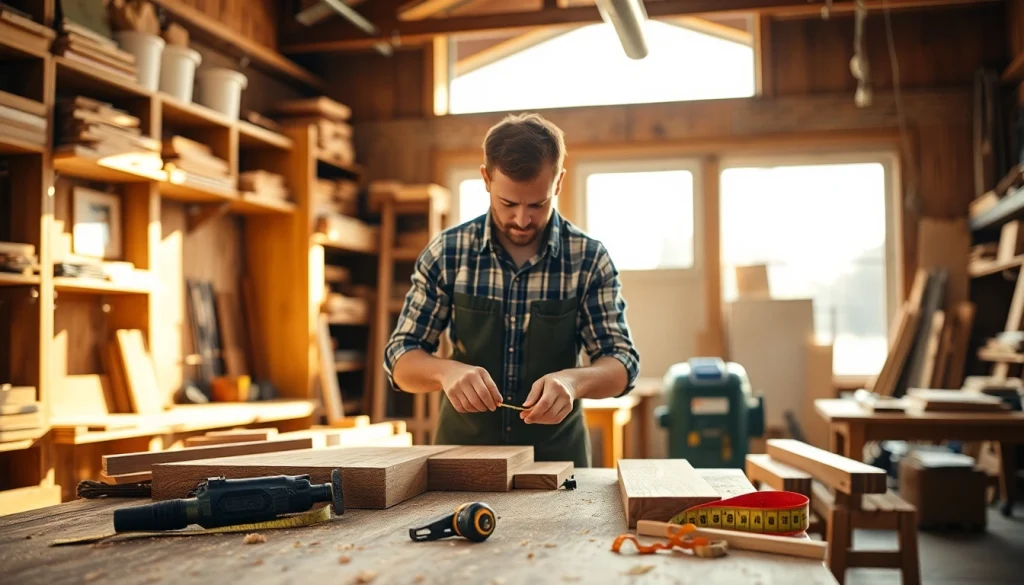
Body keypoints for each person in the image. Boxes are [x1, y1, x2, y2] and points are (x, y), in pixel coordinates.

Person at [383, 112, 640, 468]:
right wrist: (447, 372)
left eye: (537, 204)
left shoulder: (589, 259)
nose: (522, 219)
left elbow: (622, 363)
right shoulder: (448, 252)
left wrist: (573, 382)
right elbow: (401, 358)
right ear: (486, 178)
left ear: (559, 182)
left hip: (555, 464)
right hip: (461, 461)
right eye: (508, 204)